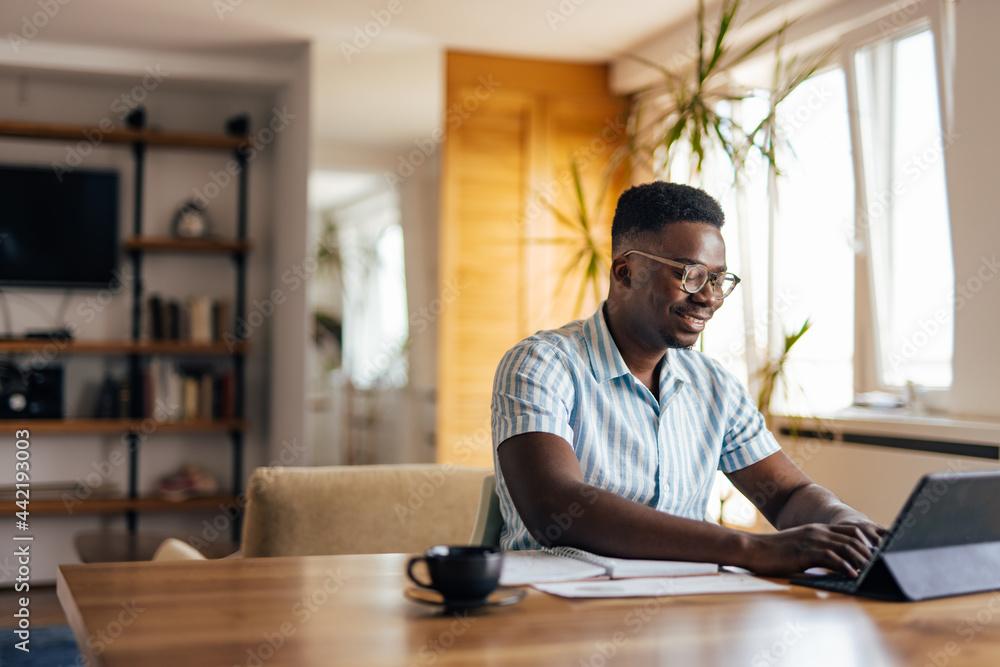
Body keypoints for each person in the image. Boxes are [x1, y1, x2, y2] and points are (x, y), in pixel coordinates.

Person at [491, 181, 884, 576]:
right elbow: (556, 506)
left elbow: (787, 496)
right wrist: (752, 548)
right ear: (626, 272)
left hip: (685, 605)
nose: (709, 297)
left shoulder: (715, 386)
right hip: (557, 609)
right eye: (690, 274)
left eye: (718, 279)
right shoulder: (541, 364)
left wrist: (850, 526)